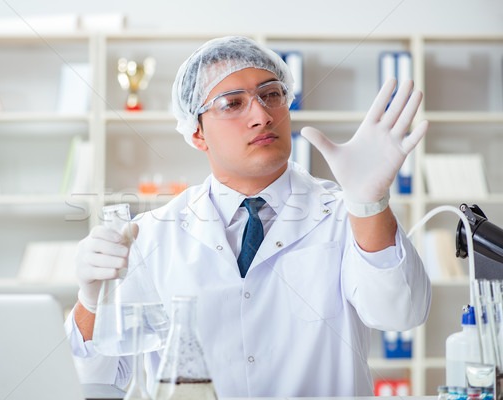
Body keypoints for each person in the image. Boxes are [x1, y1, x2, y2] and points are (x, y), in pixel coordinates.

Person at [65, 36, 431, 397]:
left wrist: (369, 203)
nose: (261, 115)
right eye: (231, 103)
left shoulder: (345, 213)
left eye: (271, 95)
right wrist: (91, 299)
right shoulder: (152, 235)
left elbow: (400, 313)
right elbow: (98, 379)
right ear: (196, 132)